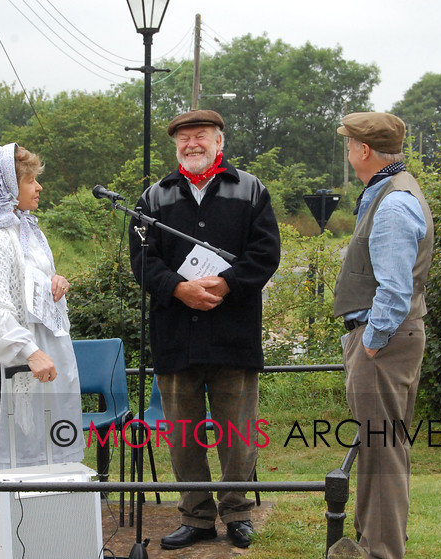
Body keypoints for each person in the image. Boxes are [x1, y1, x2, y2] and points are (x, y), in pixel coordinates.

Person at [128, 109, 281, 550]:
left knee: (238, 433)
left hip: (234, 334)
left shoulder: (251, 189)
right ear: (176, 146)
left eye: (201, 137)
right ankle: (195, 516)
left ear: (219, 142)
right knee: (182, 432)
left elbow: (266, 253)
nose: (192, 144)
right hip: (176, 334)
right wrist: (178, 289)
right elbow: (142, 261)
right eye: (184, 138)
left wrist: (226, 283)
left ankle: (237, 514)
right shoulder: (153, 198)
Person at [0, 143, 85, 558]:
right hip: (8, 365)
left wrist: (54, 280)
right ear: (9, 186)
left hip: (33, 360)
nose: (38, 186)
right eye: (30, 179)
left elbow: (27, 283)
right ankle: (0, 544)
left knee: (38, 448)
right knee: (2, 455)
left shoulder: (25, 229)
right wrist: (27, 351)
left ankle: (42, 538)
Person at [333, 112, 434, 559]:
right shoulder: (392, 190)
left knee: (382, 451)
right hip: (391, 338)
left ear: (365, 150)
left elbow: (394, 288)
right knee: (384, 449)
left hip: (384, 342)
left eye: (350, 144)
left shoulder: (392, 203)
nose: (348, 150)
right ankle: (379, 541)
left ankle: (381, 551)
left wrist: (370, 342)